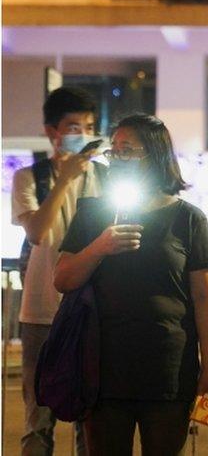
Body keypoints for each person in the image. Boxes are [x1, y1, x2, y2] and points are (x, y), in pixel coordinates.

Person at [53, 114, 208, 455]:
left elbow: (205, 298)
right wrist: (99, 247)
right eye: (114, 151)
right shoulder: (92, 214)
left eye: (127, 150)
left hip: (168, 372)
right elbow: (63, 278)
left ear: (155, 156)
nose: (117, 159)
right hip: (102, 371)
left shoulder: (189, 218)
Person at [12, 87, 102, 456]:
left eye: (90, 126)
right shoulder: (29, 178)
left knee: (93, 422)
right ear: (52, 132)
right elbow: (37, 233)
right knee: (39, 420)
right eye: (73, 126)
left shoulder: (105, 177)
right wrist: (64, 179)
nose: (82, 133)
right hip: (41, 313)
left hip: (92, 311)